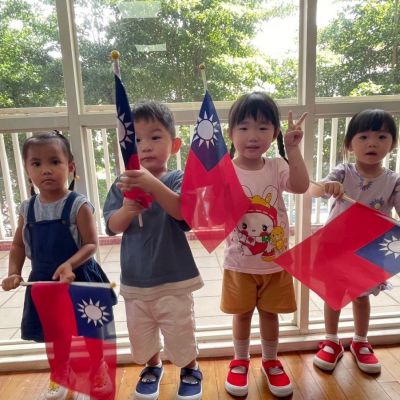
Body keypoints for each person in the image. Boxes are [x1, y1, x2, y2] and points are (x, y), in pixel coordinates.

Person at [1, 131, 115, 400]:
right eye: (36, 163)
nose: (46, 170)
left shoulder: (78, 205)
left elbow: (91, 244)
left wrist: (69, 264)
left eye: (54, 162)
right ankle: (60, 373)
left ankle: (97, 368)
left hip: (80, 277)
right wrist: (14, 272)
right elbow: (18, 246)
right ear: (27, 170)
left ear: (70, 167)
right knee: (55, 334)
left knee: (91, 330)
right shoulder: (27, 208)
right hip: (44, 282)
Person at [103, 101, 204, 400]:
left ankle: (190, 368)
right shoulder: (122, 183)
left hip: (174, 278)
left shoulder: (177, 179)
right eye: (136, 139)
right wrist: (127, 209)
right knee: (141, 333)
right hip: (135, 279)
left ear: (174, 144)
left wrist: (152, 184)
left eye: (155, 137)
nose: (145, 146)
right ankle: (152, 366)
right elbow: (112, 226)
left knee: (180, 331)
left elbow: (183, 212)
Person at [221, 92, 309, 398]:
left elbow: (301, 186)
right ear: (231, 133)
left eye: (262, 127)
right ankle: (240, 360)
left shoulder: (276, 165)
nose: (253, 136)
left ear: (274, 133)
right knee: (242, 314)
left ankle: (271, 361)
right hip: (239, 262)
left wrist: (293, 150)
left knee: (270, 314)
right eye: (244, 127)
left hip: (275, 262)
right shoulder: (225, 169)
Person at [310, 109, 400, 374]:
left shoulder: (393, 180)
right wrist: (328, 186)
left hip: (371, 249)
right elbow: (313, 191)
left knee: (361, 298)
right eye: (363, 137)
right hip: (337, 246)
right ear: (350, 144)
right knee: (335, 295)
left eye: (381, 136)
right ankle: (331, 340)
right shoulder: (343, 171)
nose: (372, 143)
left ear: (392, 143)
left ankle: (360, 341)